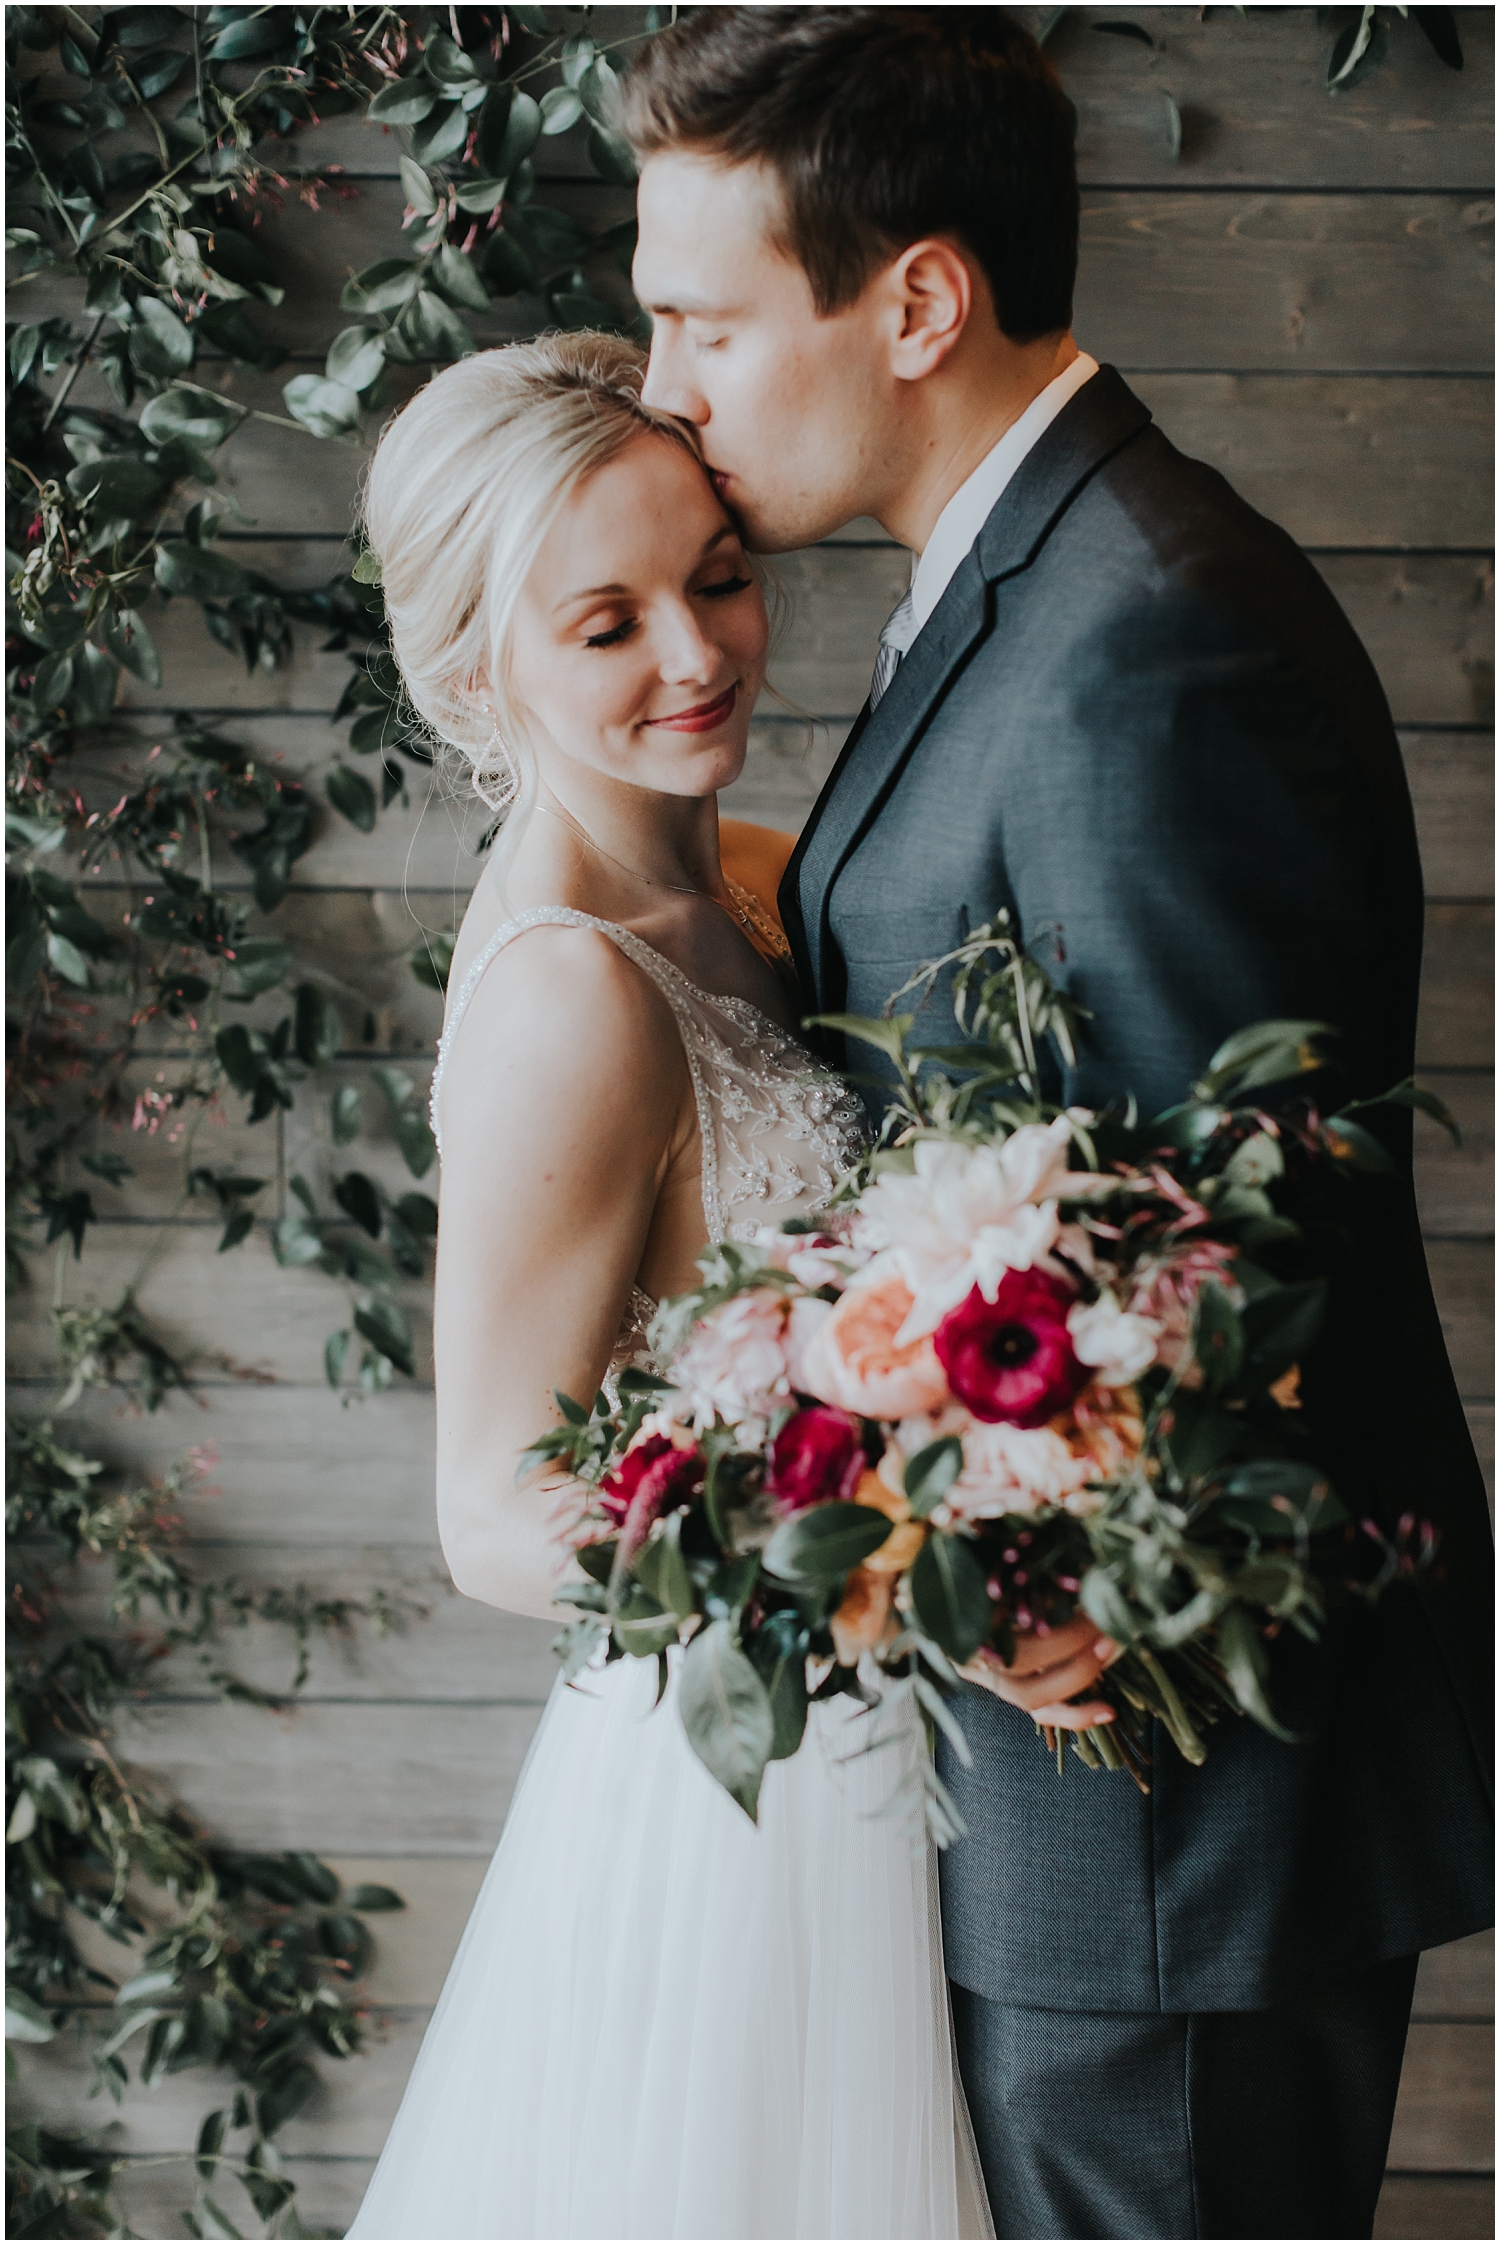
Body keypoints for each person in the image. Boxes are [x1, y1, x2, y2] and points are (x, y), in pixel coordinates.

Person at [620, 8, 1493, 2240]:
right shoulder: (1023, 586)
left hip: (1156, 1805)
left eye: (703, 321)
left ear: (915, 297)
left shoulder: (1144, 636)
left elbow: (1225, 1238)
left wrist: (1004, 1561)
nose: (671, 393)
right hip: (1062, 1805)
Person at [343, 332, 991, 2241]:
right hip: (749, 1761)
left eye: (717, 578)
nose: (698, 655)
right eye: (606, 623)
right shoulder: (569, 993)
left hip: (880, 1718)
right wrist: (849, 1553)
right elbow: (488, 1513)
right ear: (482, 672)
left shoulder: (769, 881)